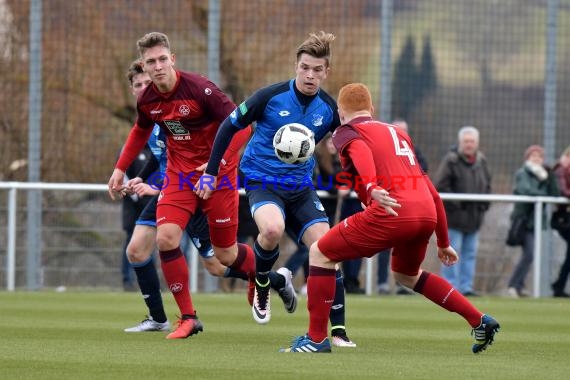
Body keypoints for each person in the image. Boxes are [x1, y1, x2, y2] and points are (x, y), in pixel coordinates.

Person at [280, 82, 500, 354]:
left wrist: (371, 186)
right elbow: (432, 191)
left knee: (320, 253)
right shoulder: (398, 133)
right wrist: (443, 241)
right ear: (371, 109)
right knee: (407, 276)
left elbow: (359, 152)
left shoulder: (346, 131)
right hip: (425, 213)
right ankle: (479, 320)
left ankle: (315, 339)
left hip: (392, 210)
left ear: (340, 111)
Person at [197, 31, 356, 347]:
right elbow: (229, 126)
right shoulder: (268, 97)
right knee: (271, 230)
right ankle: (261, 283)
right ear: (296, 66)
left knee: (328, 248)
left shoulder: (328, 109)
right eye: (305, 68)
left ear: (327, 72)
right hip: (261, 181)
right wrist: (212, 172)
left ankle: (337, 331)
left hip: (300, 188)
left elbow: (348, 147)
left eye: (317, 70)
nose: (310, 75)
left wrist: (359, 179)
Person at [108, 32, 262, 340]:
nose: (158, 66)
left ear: (172, 59)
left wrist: (216, 165)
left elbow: (243, 129)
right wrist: (119, 169)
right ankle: (188, 318)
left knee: (224, 256)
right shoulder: (147, 98)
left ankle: (263, 274)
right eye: (151, 62)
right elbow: (140, 131)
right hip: (179, 176)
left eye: (163, 59)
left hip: (217, 175)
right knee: (165, 238)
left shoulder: (201, 89)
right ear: (144, 65)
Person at [433, 126, 492, 296]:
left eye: (472, 141)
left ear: (477, 143)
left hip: (474, 219)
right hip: (454, 219)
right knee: (451, 254)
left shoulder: (482, 162)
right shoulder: (451, 161)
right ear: (460, 142)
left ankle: (466, 288)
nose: (469, 144)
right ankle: (450, 288)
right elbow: (440, 186)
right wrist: (458, 203)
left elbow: (488, 185)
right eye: (466, 141)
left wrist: (483, 204)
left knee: (470, 254)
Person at [376, 119, 428, 295]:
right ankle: (382, 283)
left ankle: (403, 283)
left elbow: (423, 172)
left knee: (404, 247)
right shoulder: (383, 149)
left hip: (408, 206)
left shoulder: (412, 150)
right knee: (383, 247)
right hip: (388, 202)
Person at [119, 65, 155, 292]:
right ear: (132, 90)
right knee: (135, 248)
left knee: (216, 260)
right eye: (138, 85)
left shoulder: (170, 116)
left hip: (182, 191)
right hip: (152, 201)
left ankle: (267, 279)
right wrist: (135, 182)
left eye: (147, 84)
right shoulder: (143, 126)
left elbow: (174, 158)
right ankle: (159, 314)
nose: (143, 89)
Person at [507, 145, 559, 298]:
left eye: (540, 156)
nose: (537, 159)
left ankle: (518, 286)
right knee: (529, 253)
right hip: (523, 220)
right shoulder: (522, 173)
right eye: (533, 156)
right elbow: (527, 190)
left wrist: (551, 177)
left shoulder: (544, 175)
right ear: (527, 158)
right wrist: (543, 193)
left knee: (529, 254)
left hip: (534, 221)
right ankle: (513, 285)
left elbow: (554, 194)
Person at [552, 146, 570, 297]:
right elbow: (562, 191)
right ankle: (558, 285)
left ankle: (559, 284)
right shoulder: (561, 170)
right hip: (565, 217)